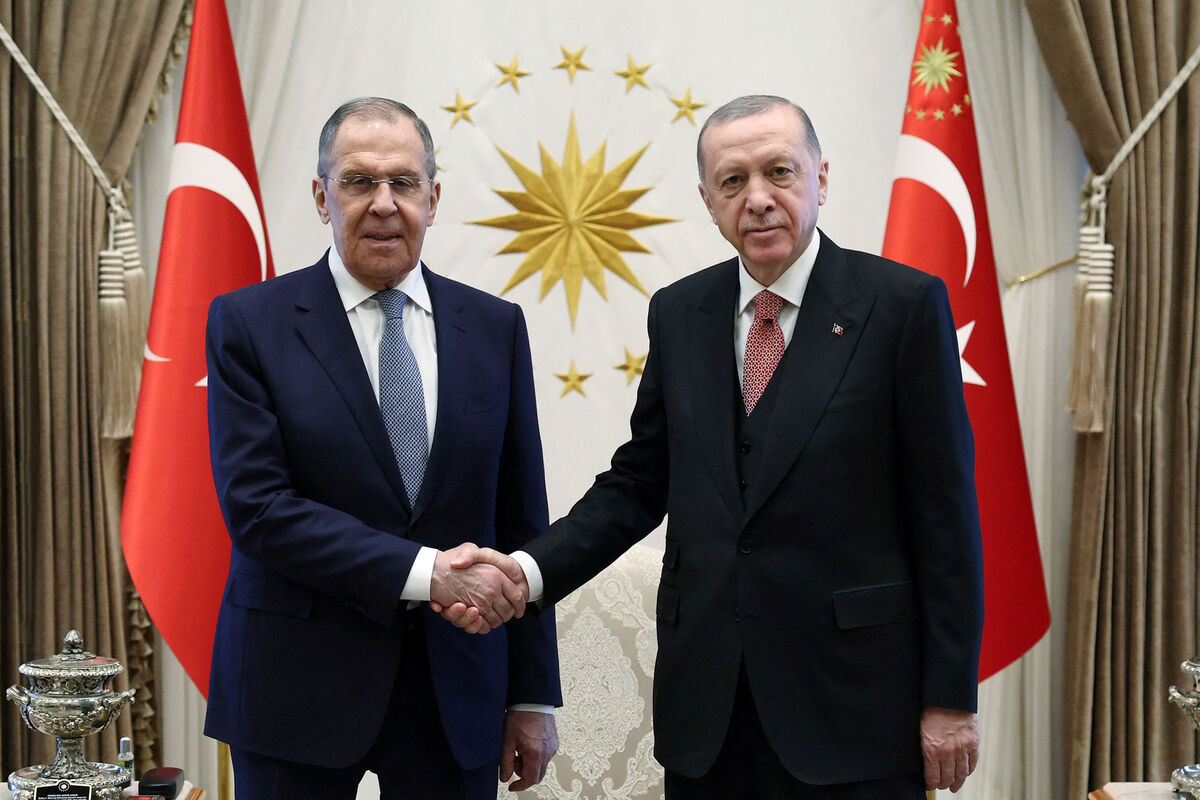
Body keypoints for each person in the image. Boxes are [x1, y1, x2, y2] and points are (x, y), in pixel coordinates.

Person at [439, 95, 985, 798]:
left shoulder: (902, 306)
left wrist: (950, 699)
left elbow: (946, 516)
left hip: (854, 711)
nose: (757, 199)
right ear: (708, 200)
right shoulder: (679, 312)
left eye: (779, 172)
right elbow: (639, 484)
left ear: (821, 178)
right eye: (733, 181)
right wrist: (526, 572)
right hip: (709, 715)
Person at [203, 97, 560, 800]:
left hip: (457, 689)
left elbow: (522, 517)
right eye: (359, 181)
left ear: (433, 198)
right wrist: (428, 573)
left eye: (403, 182)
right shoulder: (248, 323)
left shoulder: (495, 327)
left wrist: (532, 694)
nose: (384, 203)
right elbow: (259, 509)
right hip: (294, 688)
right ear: (321, 197)